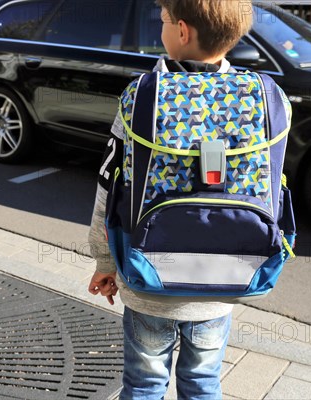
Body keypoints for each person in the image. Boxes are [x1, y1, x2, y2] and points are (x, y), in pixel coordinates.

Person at [88, 0, 253, 398]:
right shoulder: (259, 97)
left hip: (149, 276)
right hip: (222, 281)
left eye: (162, 21)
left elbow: (108, 187)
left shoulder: (143, 96)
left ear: (182, 31)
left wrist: (105, 261)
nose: (159, 29)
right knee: (203, 383)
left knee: (144, 385)